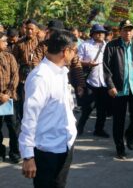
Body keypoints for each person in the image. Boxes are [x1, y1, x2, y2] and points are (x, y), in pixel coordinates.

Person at [19, 30, 78, 188]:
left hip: (65, 143)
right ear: (65, 51)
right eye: (74, 51)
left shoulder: (61, 72)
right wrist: (28, 156)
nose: (75, 55)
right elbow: (29, 118)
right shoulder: (41, 77)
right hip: (47, 149)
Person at [103, 19, 133, 159]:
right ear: (120, 31)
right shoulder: (111, 46)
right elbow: (106, 68)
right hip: (119, 90)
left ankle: (130, 135)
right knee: (118, 121)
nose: (128, 32)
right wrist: (110, 86)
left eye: (130, 30)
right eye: (125, 30)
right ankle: (119, 148)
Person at [32, 20, 86, 99]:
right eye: (51, 31)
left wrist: (80, 84)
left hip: (66, 81)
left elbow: (76, 65)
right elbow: (35, 62)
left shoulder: (69, 46)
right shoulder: (43, 45)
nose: (54, 34)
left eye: (56, 32)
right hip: (47, 82)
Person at [77, 24, 109, 137]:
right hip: (91, 81)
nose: (100, 34)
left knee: (102, 109)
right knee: (88, 107)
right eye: (97, 32)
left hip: (104, 82)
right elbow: (77, 61)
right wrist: (88, 63)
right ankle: (79, 127)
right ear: (92, 34)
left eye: (102, 32)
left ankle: (99, 129)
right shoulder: (85, 45)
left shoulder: (108, 46)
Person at [12, 19, 39, 121]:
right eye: (27, 29)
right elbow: (14, 62)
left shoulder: (42, 43)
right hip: (23, 78)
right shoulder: (19, 43)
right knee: (23, 104)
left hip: (38, 79)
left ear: (36, 30)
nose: (29, 31)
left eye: (32, 29)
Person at [0, 32, 20, 163]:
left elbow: (15, 76)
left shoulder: (9, 56)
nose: (7, 43)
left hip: (9, 99)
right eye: (4, 41)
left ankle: (14, 152)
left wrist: (7, 94)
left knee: (13, 127)